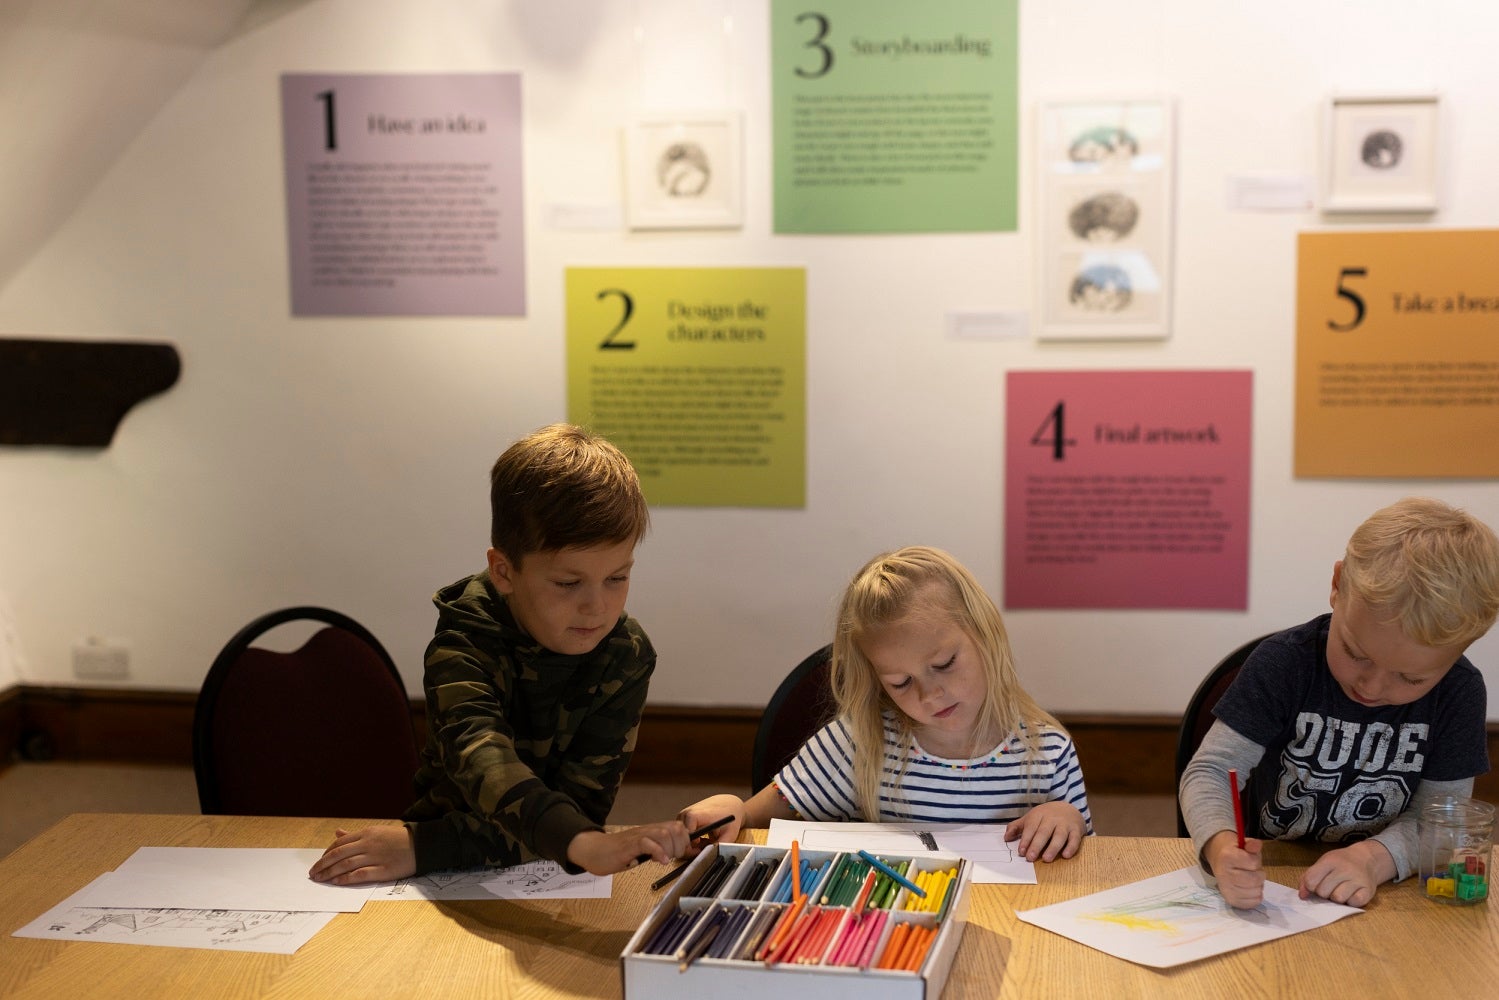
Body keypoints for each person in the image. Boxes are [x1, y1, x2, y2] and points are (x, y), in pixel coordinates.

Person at [310, 423, 691, 885]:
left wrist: (576, 837)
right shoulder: (464, 642)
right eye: (568, 583)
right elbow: (484, 763)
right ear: (504, 572)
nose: (597, 606)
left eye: (618, 578)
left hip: (515, 861)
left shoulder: (625, 653)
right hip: (437, 870)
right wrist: (427, 847)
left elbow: (583, 809)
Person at [1180, 497, 1499, 909]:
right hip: (1275, 876)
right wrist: (1221, 846)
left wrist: (1373, 859)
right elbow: (1209, 771)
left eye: (1411, 678)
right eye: (1355, 653)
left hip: (1390, 888)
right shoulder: (1285, 664)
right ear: (1337, 585)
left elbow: (1443, 819)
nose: (1372, 686)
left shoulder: (1459, 692)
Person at [680, 546, 1093, 863]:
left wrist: (1066, 817)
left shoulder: (1049, 753)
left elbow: (1086, 857)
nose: (929, 694)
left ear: (986, 634)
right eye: (901, 683)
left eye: (944, 664)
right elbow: (755, 815)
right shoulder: (858, 742)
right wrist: (733, 808)